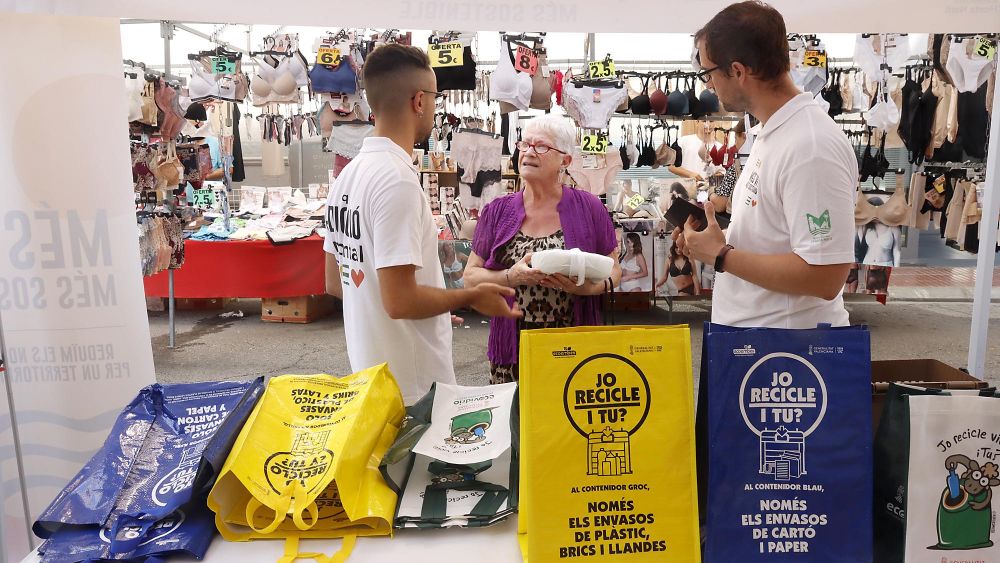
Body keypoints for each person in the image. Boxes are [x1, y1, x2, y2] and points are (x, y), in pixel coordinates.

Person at [324, 44, 520, 403]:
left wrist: (435, 306)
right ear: (419, 101)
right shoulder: (396, 180)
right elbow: (400, 301)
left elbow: (336, 282)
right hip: (413, 390)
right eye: (435, 97)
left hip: (370, 374)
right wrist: (470, 296)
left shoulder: (347, 177)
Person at [675, 0, 857, 329]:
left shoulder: (810, 146)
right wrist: (712, 242)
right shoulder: (774, 133)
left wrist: (722, 256)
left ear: (738, 71)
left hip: (786, 349)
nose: (708, 85)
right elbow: (772, 236)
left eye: (707, 73)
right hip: (760, 342)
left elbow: (826, 275)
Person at [464, 114, 622, 384]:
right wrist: (510, 276)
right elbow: (470, 277)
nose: (528, 152)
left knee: (568, 408)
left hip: (573, 343)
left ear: (565, 160)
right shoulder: (497, 212)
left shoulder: (590, 208)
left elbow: (614, 270)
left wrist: (587, 289)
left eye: (541, 146)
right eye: (524, 144)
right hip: (512, 347)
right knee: (516, 410)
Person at [709, 119, 748, 214]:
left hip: (736, 218)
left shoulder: (738, 166)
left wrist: (710, 191)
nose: (735, 144)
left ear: (744, 136)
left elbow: (719, 205)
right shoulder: (763, 160)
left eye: (736, 139)